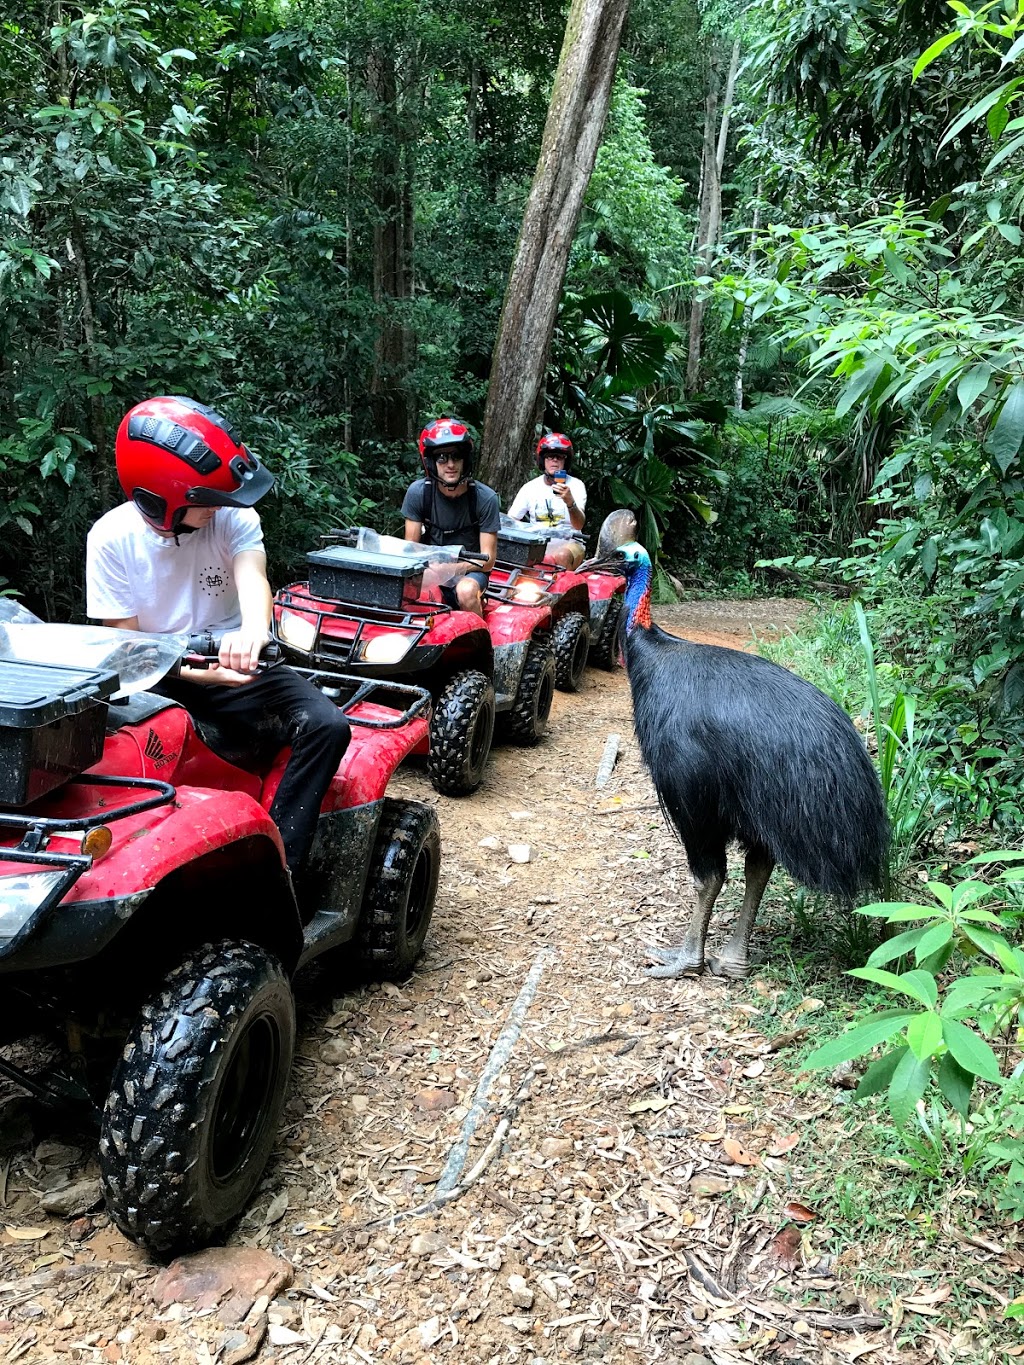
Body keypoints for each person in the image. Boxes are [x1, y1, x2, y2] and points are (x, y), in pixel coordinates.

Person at [86, 395, 351, 879]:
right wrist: (196, 674)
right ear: (158, 499)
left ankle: (281, 866)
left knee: (327, 726)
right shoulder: (110, 539)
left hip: (238, 665)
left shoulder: (230, 515)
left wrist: (252, 633)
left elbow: (254, 578)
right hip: (156, 677)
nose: (220, 506)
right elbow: (125, 649)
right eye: (203, 499)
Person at [401, 417, 500, 617]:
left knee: (466, 592)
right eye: (442, 458)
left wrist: (453, 568)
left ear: (466, 460)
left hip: (471, 571)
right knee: (407, 591)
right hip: (431, 566)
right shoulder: (419, 493)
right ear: (430, 462)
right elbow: (410, 551)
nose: (450, 464)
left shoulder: (485, 498)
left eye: (456, 456)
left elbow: (488, 560)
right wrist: (430, 570)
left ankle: (480, 645)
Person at [507, 432, 586, 569]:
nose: (554, 460)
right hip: (537, 544)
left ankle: (561, 590)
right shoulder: (530, 488)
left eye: (559, 457)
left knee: (562, 556)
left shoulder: (576, 486)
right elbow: (511, 521)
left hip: (570, 544)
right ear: (542, 460)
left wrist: (570, 502)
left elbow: (579, 525)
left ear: (565, 461)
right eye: (550, 456)